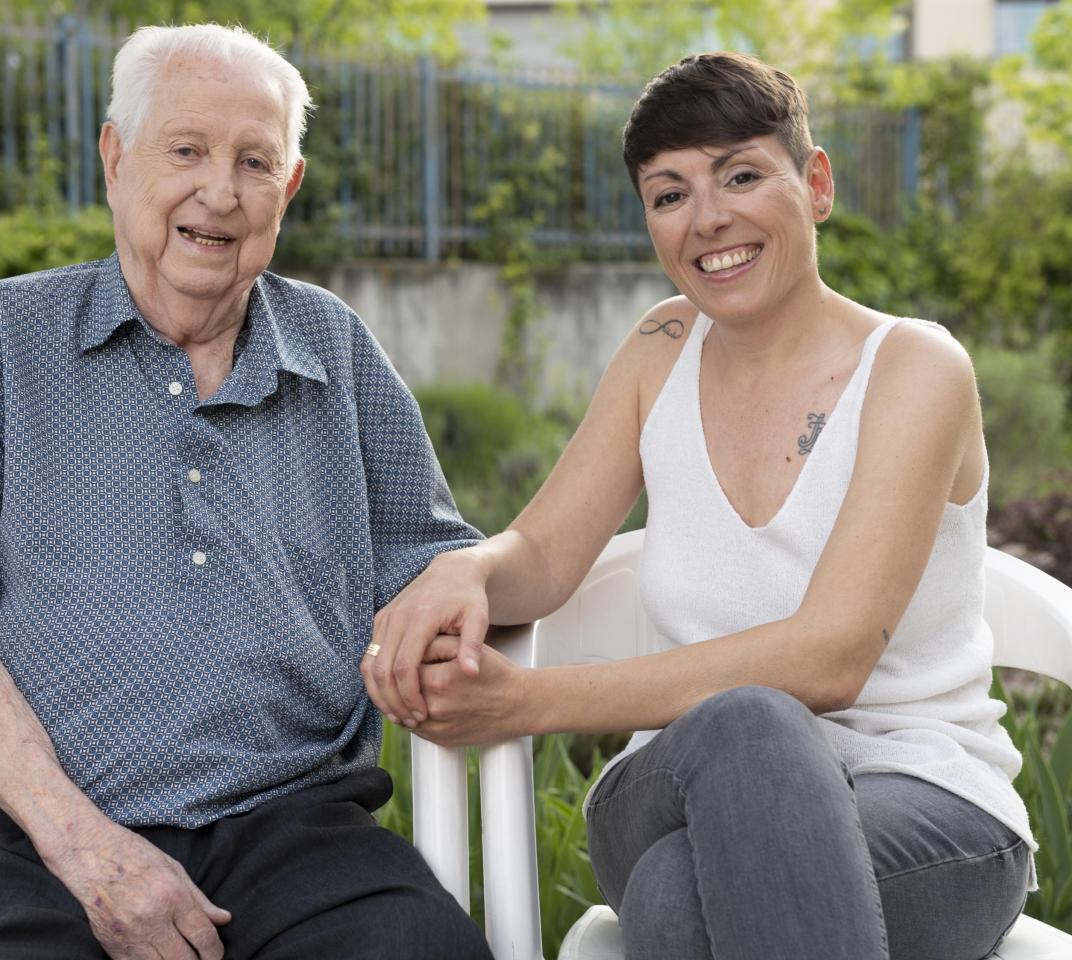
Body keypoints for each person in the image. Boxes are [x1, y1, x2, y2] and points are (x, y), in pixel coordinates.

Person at [362, 52, 1036, 960]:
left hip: (925, 808)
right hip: (669, 788)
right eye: (669, 194)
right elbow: (546, 555)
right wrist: (468, 566)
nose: (708, 218)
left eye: (742, 175)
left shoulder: (917, 369)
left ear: (817, 183)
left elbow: (829, 658)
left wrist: (523, 703)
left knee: (683, 895)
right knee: (745, 728)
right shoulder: (659, 348)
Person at [0, 23, 493, 960]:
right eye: (185, 150)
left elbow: (430, 556)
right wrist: (82, 844)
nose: (219, 192)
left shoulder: (334, 346)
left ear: (290, 188)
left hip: (291, 829)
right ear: (116, 158)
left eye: (255, 162)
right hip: (18, 836)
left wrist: (460, 579)